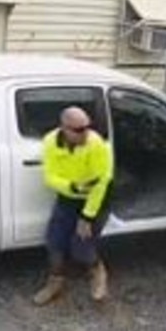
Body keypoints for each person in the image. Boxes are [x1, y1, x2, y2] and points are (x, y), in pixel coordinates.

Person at [32, 106, 115, 305]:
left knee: (81, 247)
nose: (85, 132)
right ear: (64, 128)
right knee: (55, 243)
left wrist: (87, 217)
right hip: (68, 198)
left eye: (87, 127)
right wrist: (73, 187)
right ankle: (55, 283)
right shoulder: (51, 142)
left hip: (95, 201)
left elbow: (100, 184)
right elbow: (49, 176)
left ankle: (98, 272)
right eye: (78, 130)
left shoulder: (97, 145)